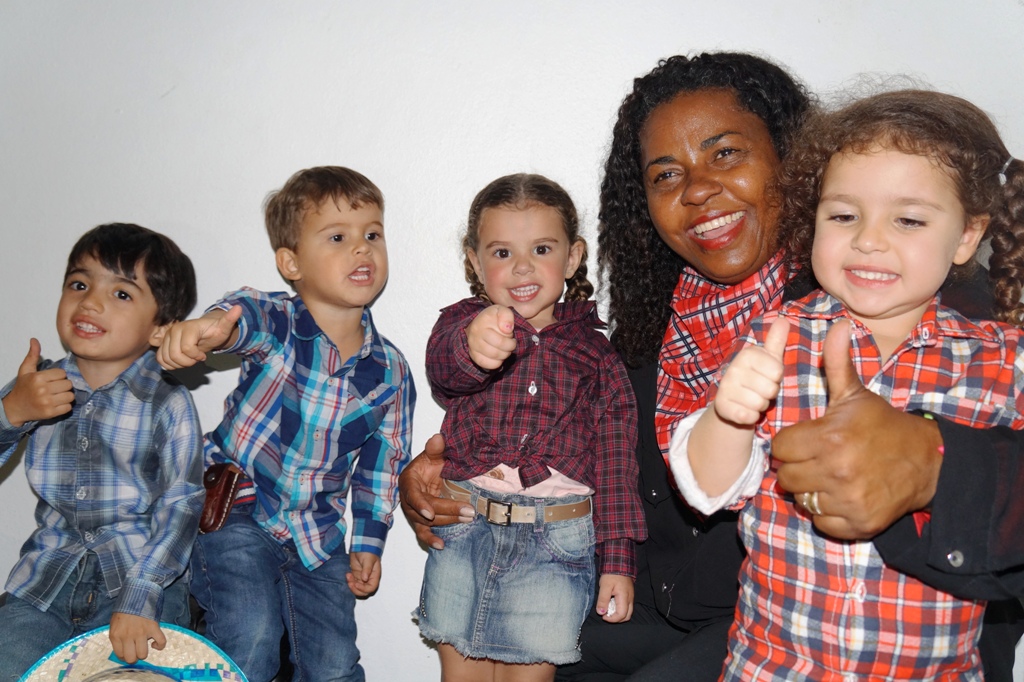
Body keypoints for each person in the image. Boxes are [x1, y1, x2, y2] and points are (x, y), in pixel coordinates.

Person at [401, 53, 1024, 682]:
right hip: (655, 618)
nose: (696, 188)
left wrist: (935, 463)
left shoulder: (939, 308)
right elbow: (586, 455)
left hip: (822, 637)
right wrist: (451, 478)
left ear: (794, 165)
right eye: (666, 174)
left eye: (725, 153)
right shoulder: (643, 337)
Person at [672, 89, 1024, 680]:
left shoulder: (1004, 361)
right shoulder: (778, 336)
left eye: (908, 219)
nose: (868, 240)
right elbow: (708, 491)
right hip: (772, 668)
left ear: (968, 236)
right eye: (843, 215)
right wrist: (727, 416)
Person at [156, 166, 416, 682]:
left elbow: (382, 467)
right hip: (237, 511)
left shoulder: (390, 370)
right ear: (291, 262)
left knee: (335, 664)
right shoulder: (279, 323)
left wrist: (368, 543)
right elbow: (242, 315)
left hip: (317, 535)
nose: (361, 248)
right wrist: (209, 327)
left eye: (372, 235)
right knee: (251, 635)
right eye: (337, 237)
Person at [416, 173, 645, 682]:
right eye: (502, 253)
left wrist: (617, 560)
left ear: (573, 256)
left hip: (557, 540)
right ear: (475, 261)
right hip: (466, 526)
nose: (522, 266)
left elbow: (616, 463)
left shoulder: (598, 355)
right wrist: (473, 345)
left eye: (541, 249)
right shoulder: (462, 324)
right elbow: (444, 373)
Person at [0, 223, 203, 679]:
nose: (90, 302)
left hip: (141, 584)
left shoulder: (167, 401)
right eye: (79, 284)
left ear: (160, 329)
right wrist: (11, 413)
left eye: (122, 293)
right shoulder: (37, 384)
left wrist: (141, 593)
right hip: (45, 582)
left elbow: (182, 503)